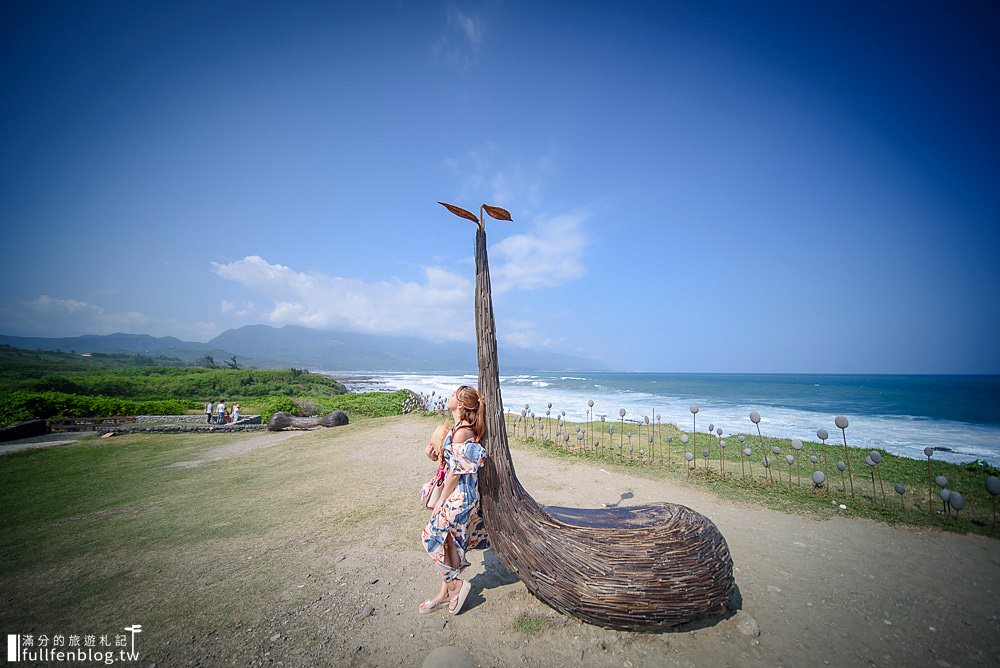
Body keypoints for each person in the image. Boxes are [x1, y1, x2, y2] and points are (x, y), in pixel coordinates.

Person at [419, 385, 490, 615]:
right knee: (449, 541)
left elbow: (457, 472)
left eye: (452, 395)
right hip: (459, 492)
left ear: (460, 404)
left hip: (461, 494)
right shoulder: (458, 428)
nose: (448, 397)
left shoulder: (462, 431)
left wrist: (441, 501)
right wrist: (434, 456)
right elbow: (450, 464)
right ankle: (445, 592)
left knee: (430, 536)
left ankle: (456, 586)